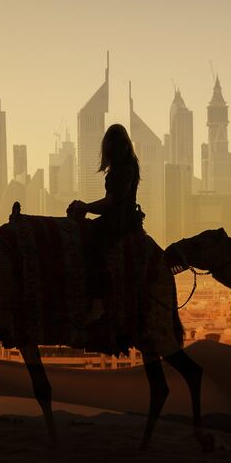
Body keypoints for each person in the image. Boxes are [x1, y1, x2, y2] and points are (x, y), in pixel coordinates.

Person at [68, 123, 142, 324]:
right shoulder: (128, 167)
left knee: (92, 245)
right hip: (122, 219)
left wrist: (85, 207)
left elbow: (111, 202)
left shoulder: (124, 170)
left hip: (119, 222)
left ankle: (98, 299)